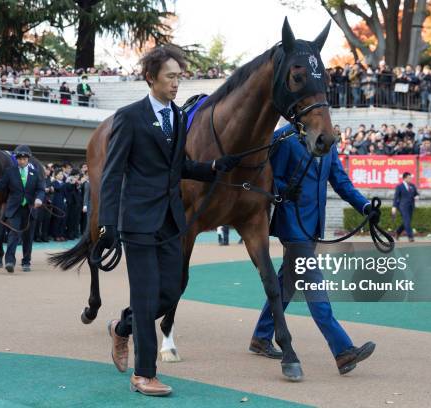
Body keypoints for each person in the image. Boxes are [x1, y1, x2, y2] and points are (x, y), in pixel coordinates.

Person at [96, 46, 240, 396]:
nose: (177, 83)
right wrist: (107, 225)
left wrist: (212, 169)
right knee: (146, 298)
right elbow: (112, 175)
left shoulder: (177, 116)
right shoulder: (128, 117)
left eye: (179, 77)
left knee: (172, 291)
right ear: (151, 78)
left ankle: (121, 327)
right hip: (138, 222)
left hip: (171, 220)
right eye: (171, 77)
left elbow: (178, 168)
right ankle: (143, 374)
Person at [249, 123, 377, 376]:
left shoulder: (327, 142)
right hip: (293, 224)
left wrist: (364, 207)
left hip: (313, 226)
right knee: (314, 285)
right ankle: (342, 350)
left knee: (287, 282)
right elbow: (271, 177)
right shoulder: (286, 140)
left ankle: (261, 336)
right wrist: (284, 190)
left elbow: (340, 180)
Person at [0, 145, 45, 272]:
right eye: (19, 158)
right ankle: (10, 261)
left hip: (30, 208)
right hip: (14, 208)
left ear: (28, 159)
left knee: (28, 236)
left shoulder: (35, 174)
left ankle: (26, 261)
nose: (21, 160)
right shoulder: (10, 172)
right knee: (13, 234)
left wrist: (39, 198)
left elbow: (41, 189)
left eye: (24, 158)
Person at [392, 172, 419, 242]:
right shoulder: (399, 187)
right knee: (407, 220)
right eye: (409, 178)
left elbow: (416, 194)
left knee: (407, 221)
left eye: (411, 178)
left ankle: (397, 232)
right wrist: (394, 207)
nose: (410, 179)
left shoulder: (412, 186)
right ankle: (410, 237)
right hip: (402, 206)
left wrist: (417, 196)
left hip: (411, 206)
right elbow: (396, 197)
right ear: (404, 178)